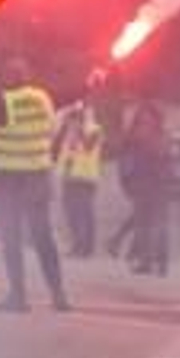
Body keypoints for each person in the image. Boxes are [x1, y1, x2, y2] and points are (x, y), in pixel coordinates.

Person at [0, 58, 70, 312]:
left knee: (11, 236)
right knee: (42, 235)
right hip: (37, 175)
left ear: (7, 78)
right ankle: (58, 294)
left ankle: (18, 295)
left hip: (8, 177)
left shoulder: (3, 101)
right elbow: (54, 126)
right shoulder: (42, 98)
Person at [117, 100, 171, 275]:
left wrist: (126, 180)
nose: (146, 123)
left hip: (147, 183)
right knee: (154, 224)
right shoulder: (160, 135)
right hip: (153, 183)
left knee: (149, 225)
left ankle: (152, 262)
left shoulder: (137, 136)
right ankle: (156, 263)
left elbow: (125, 160)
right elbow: (126, 159)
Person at [55, 100, 105, 258]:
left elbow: (89, 147)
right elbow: (56, 148)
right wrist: (64, 125)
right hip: (69, 176)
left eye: (75, 116)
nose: (72, 119)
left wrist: (79, 130)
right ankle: (76, 245)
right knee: (71, 214)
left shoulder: (95, 129)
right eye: (72, 116)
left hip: (85, 178)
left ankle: (86, 248)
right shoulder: (68, 130)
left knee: (84, 214)